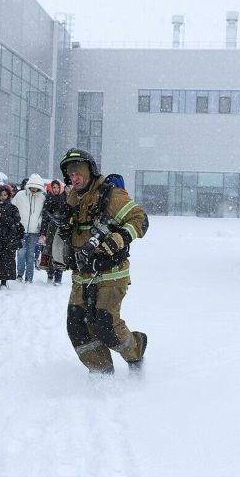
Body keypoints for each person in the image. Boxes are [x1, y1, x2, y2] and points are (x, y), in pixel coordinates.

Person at [58, 148, 148, 374]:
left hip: (111, 274)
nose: (74, 178)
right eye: (70, 174)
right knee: (77, 326)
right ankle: (101, 373)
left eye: (78, 172)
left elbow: (140, 219)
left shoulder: (109, 194)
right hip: (81, 275)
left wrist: (119, 238)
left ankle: (135, 349)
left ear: (90, 171)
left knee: (106, 325)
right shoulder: (72, 199)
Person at [0, 186, 23, 290]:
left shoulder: (12, 208)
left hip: (8, 238)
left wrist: (3, 218)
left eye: (5, 195)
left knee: (6, 260)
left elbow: (16, 223)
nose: (3, 197)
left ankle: (4, 282)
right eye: (1, 195)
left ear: (8, 195)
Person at [11, 173, 46, 283]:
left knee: (31, 256)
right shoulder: (20, 195)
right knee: (21, 253)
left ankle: (29, 278)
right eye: (33, 186)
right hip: (21, 230)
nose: (34, 189)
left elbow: (42, 214)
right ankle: (20, 274)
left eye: (37, 187)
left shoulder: (42, 198)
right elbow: (13, 209)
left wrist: (38, 224)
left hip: (34, 232)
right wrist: (16, 224)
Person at [39, 178, 67, 285]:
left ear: (61, 187)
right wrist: (43, 233)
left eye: (57, 187)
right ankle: (50, 274)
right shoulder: (49, 198)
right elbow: (45, 218)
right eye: (53, 187)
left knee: (59, 252)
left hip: (61, 229)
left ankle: (58, 277)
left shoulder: (65, 199)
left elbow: (67, 215)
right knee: (50, 252)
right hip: (50, 229)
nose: (55, 189)